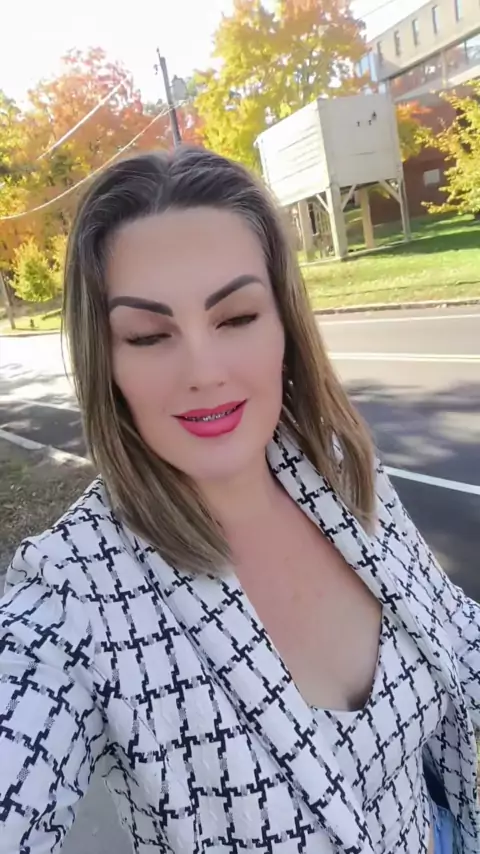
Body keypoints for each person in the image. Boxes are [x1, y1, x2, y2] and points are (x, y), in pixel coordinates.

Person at [0, 147, 478, 854]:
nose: (203, 371)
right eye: (148, 335)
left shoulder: (340, 468)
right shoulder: (72, 592)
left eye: (236, 317)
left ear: (284, 324)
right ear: (109, 361)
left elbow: (455, 630)